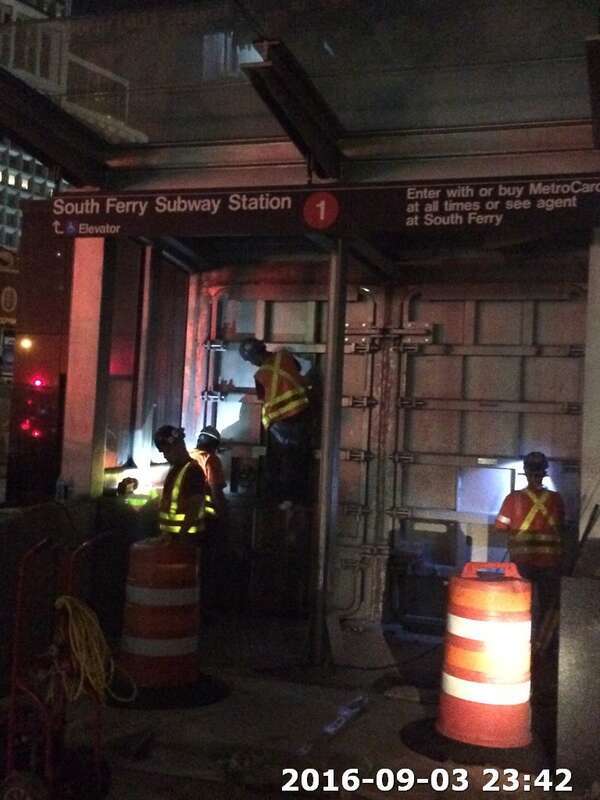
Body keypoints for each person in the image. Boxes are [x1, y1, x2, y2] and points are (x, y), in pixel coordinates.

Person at [495, 451, 565, 653]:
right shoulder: (556, 500)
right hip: (550, 564)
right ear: (544, 472)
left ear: (525, 472)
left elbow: (500, 526)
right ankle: (545, 646)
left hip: (522, 563)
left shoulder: (513, 499)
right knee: (548, 606)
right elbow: (561, 525)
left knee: (519, 604)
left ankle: (519, 644)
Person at [238, 337, 312, 510]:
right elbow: (298, 370)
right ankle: (298, 498)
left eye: (250, 360)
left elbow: (264, 398)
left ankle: (286, 500)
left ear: (253, 357)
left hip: (280, 423)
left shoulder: (260, 375)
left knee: (282, 461)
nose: (252, 364)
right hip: (302, 413)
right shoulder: (284, 356)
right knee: (299, 458)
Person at [191, 425, 228, 614]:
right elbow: (216, 493)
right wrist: (225, 518)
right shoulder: (211, 460)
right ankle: (208, 609)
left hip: (190, 523)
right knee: (209, 567)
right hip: (208, 522)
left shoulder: (189, 457)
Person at [153, 424, 206, 540]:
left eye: (167, 451)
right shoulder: (175, 470)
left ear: (179, 446)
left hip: (187, 539)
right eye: (163, 452)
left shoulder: (193, 471)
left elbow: (194, 506)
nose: (165, 456)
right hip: (172, 538)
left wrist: (181, 537)